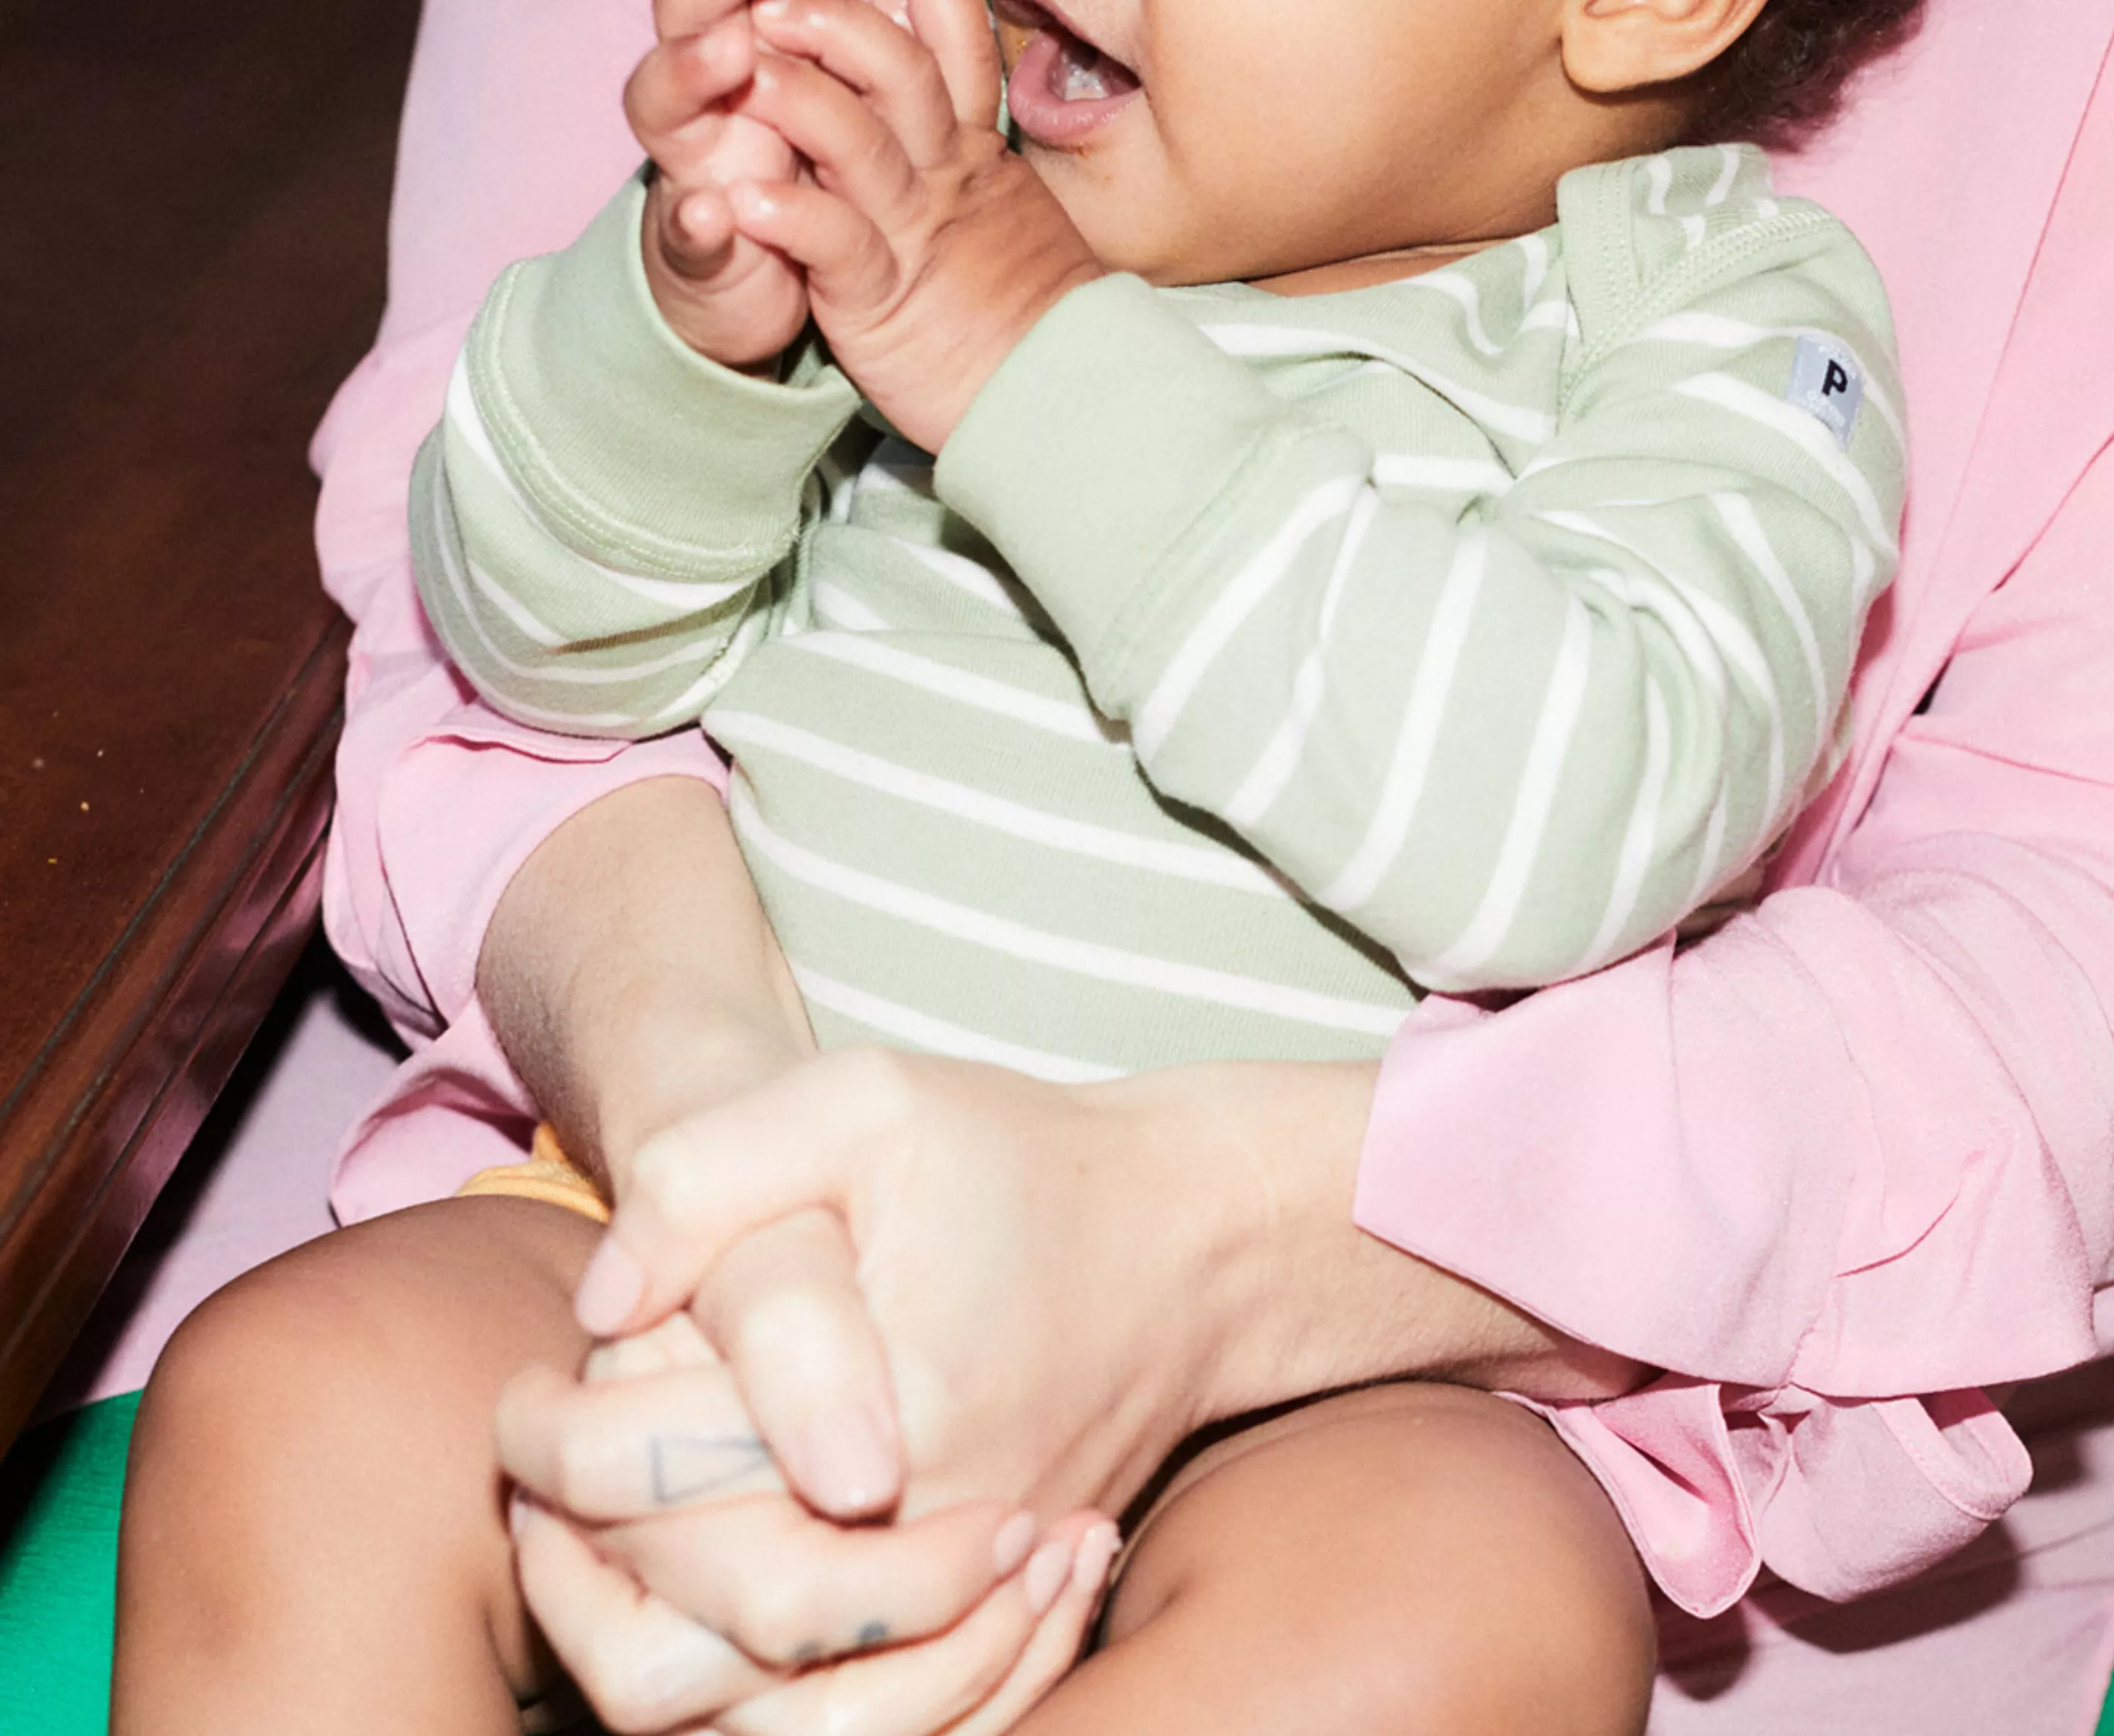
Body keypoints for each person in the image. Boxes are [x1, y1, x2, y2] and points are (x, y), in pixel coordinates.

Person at [112, 2, 2114, 1734]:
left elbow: (1577, 816)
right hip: (690, 1210)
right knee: (297, 1399)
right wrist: (678, 331)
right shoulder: (949, 181)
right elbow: (534, 650)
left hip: (1335, 1373)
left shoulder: (1719, 314)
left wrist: (1025, 355)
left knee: (1468, 1612)